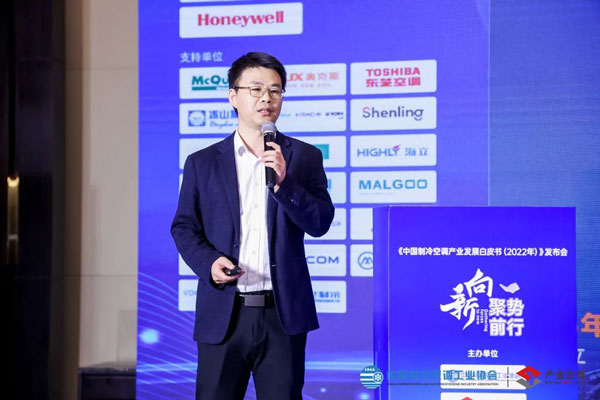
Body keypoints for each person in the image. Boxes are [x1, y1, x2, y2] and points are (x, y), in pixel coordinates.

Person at [171, 52, 335, 400]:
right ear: (233, 96)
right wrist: (209, 263)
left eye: (275, 90)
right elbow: (184, 227)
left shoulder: (305, 157)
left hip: (282, 316)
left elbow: (320, 222)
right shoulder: (202, 162)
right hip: (224, 316)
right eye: (256, 89)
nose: (266, 99)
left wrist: (285, 185)